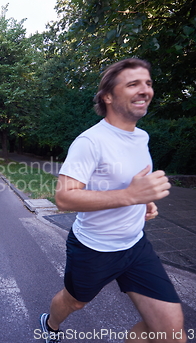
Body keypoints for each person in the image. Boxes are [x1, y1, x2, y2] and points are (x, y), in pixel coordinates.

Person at [40, 59, 186, 343]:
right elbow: (63, 197)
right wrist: (130, 196)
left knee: (170, 334)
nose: (145, 90)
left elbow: (129, 183)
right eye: (133, 84)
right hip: (94, 248)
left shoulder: (141, 137)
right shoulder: (91, 141)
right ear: (107, 96)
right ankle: (50, 325)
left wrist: (143, 202)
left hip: (135, 246)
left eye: (148, 83)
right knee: (75, 302)